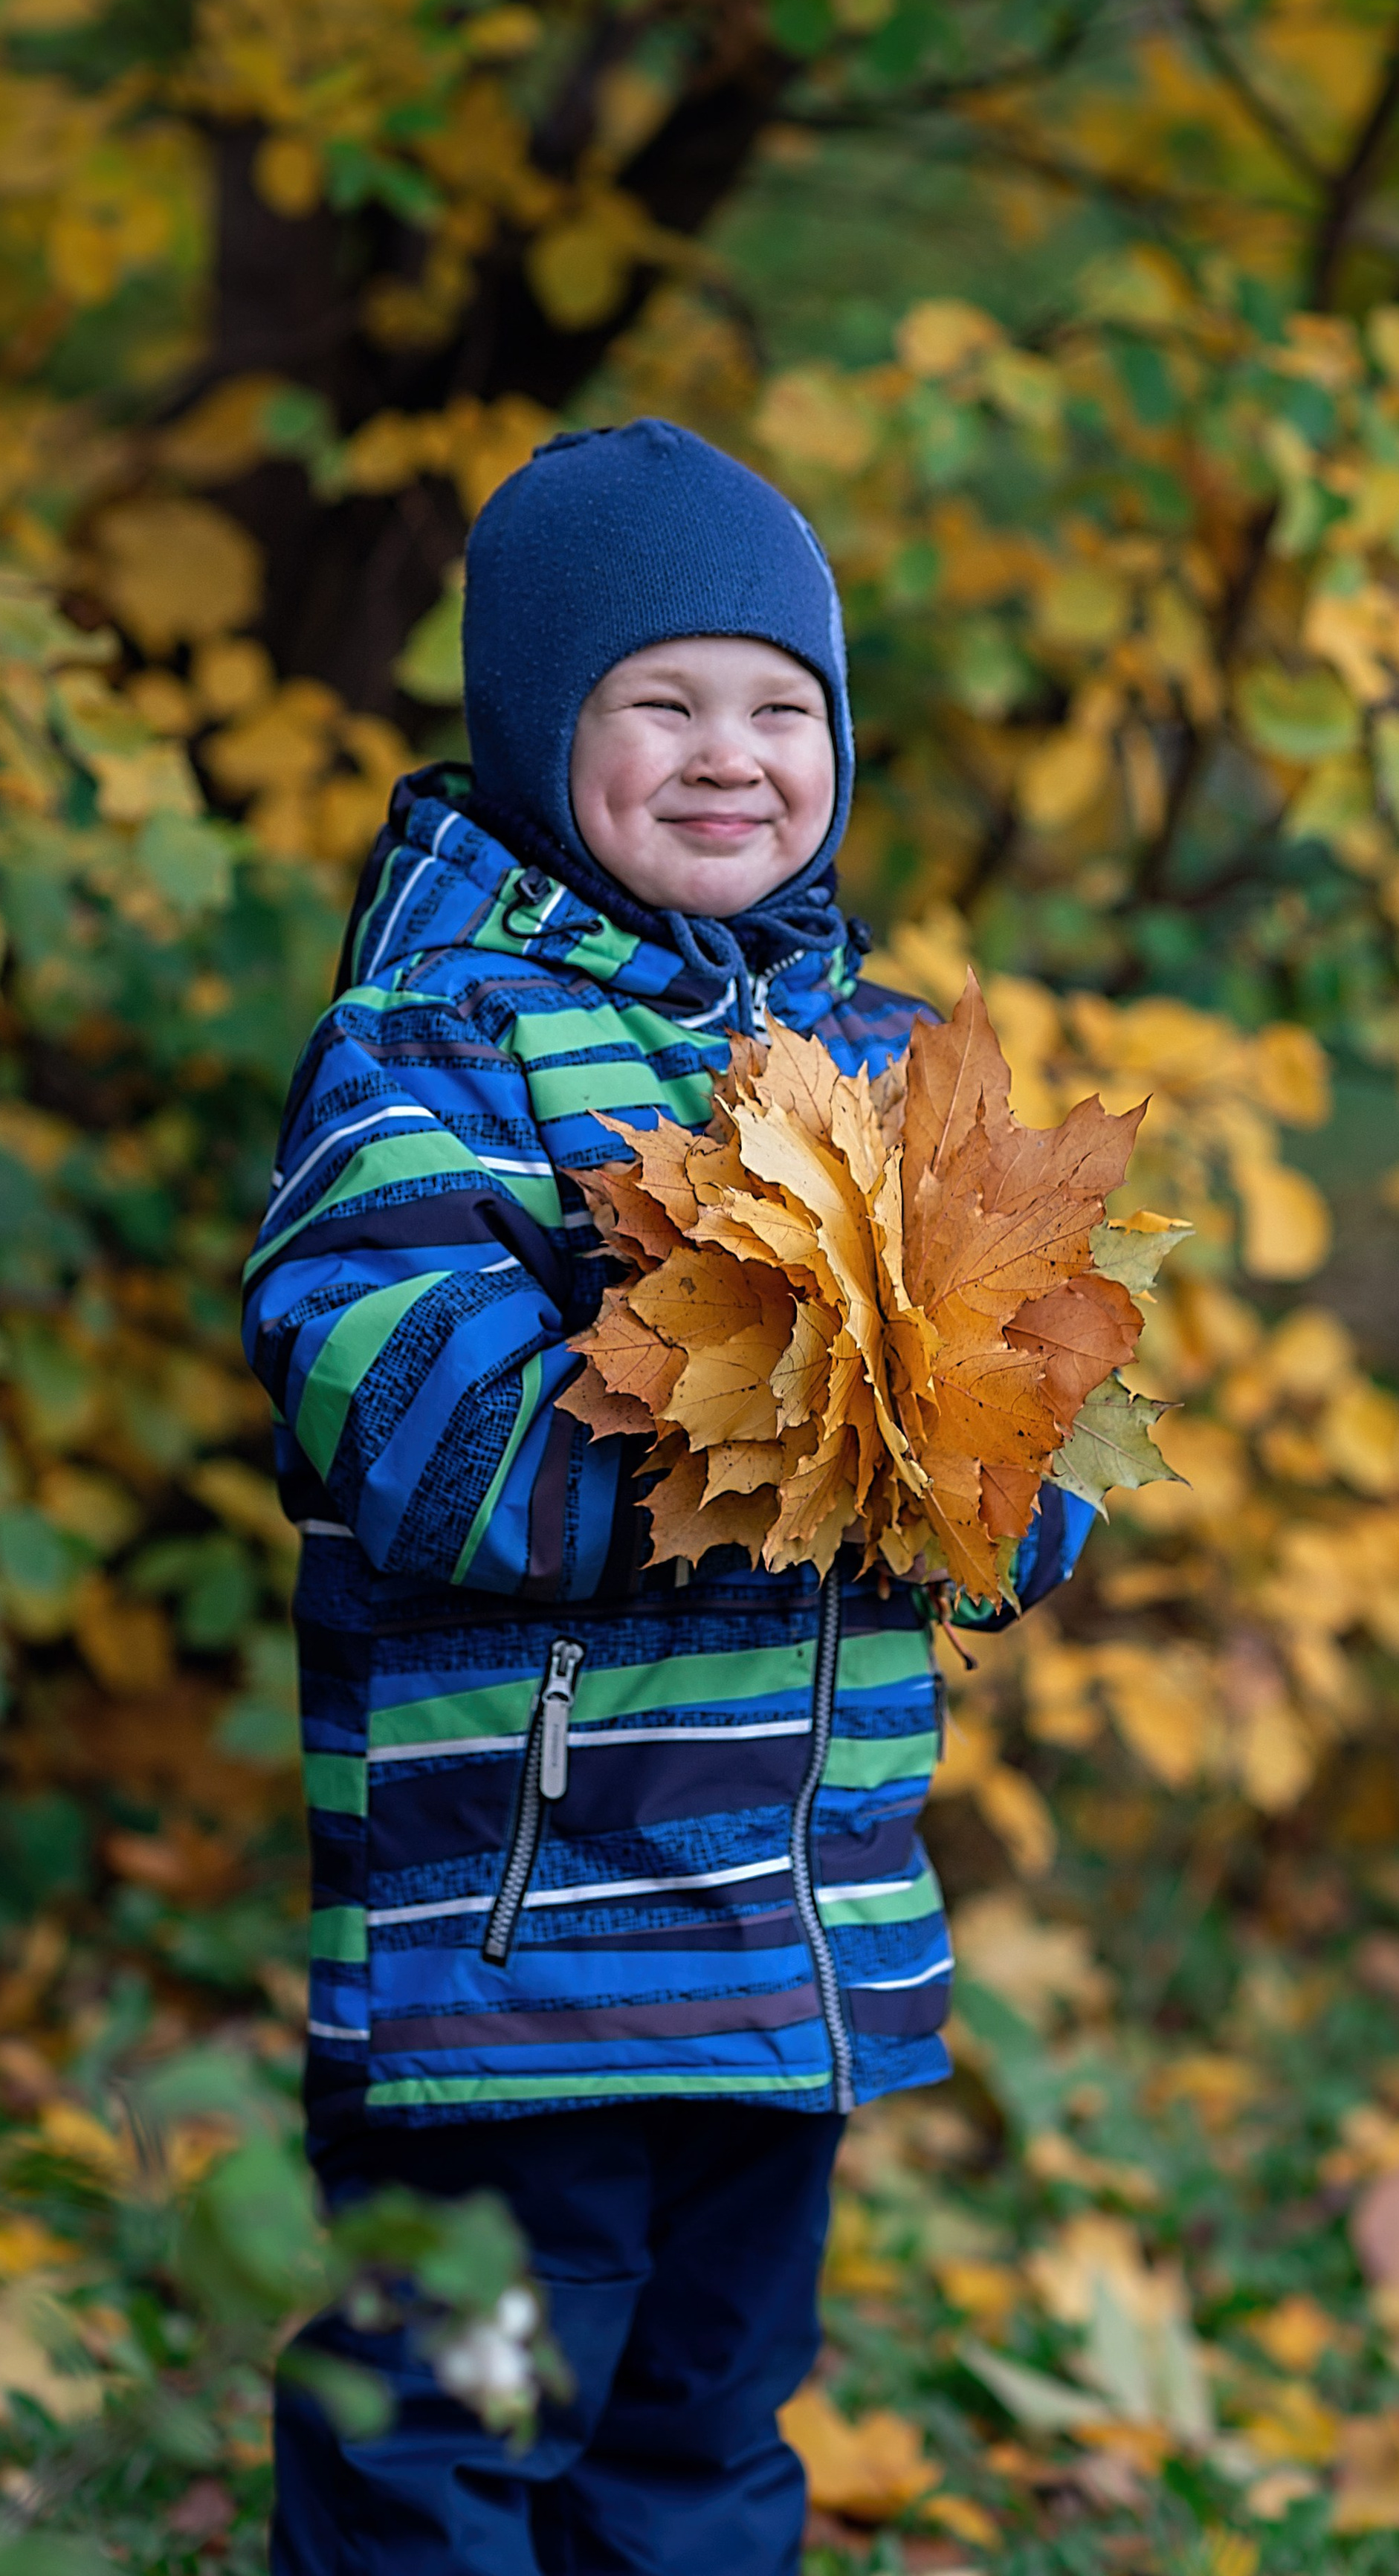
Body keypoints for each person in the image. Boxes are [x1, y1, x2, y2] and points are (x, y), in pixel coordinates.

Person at [244, 421, 1094, 2575]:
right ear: (544, 730)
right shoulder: (436, 1048)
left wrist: (990, 1473)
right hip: (512, 1954)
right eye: (662, 702)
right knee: (447, 2440)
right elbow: (408, 1418)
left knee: (702, 2445)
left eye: (781, 707)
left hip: (793, 1940)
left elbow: (1020, 1430)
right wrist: (773, 1439)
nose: (733, 755)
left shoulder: (887, 1066)